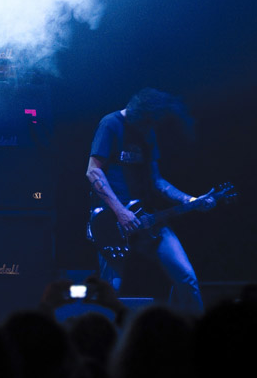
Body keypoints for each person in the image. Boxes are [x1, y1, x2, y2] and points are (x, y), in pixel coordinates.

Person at [85, 87, 211, 315]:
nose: (148, 128)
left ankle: (194, 335)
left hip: (148, 219)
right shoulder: (110, 124)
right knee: (110, 290)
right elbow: (93, 172)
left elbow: (157, 181)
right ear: (136, 114)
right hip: (112, 222)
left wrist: (191, 199)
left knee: (186, 277)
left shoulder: (147, 132)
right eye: (145, 123)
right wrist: (121, 212)